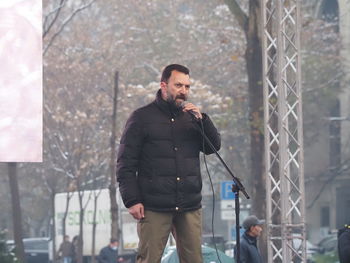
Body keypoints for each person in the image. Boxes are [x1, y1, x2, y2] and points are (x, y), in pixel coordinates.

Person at [117, 64, 221, 263]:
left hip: (189, 203)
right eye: (178, 85)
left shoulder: (192, 118)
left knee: (194, 260)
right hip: (154, 205)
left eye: (187, 87)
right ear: (164, 86)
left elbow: (213, 147)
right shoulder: (141, 118)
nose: (184, 91)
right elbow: (125, 162)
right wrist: (131, 199)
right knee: (149, 259)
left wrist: (203, 121)